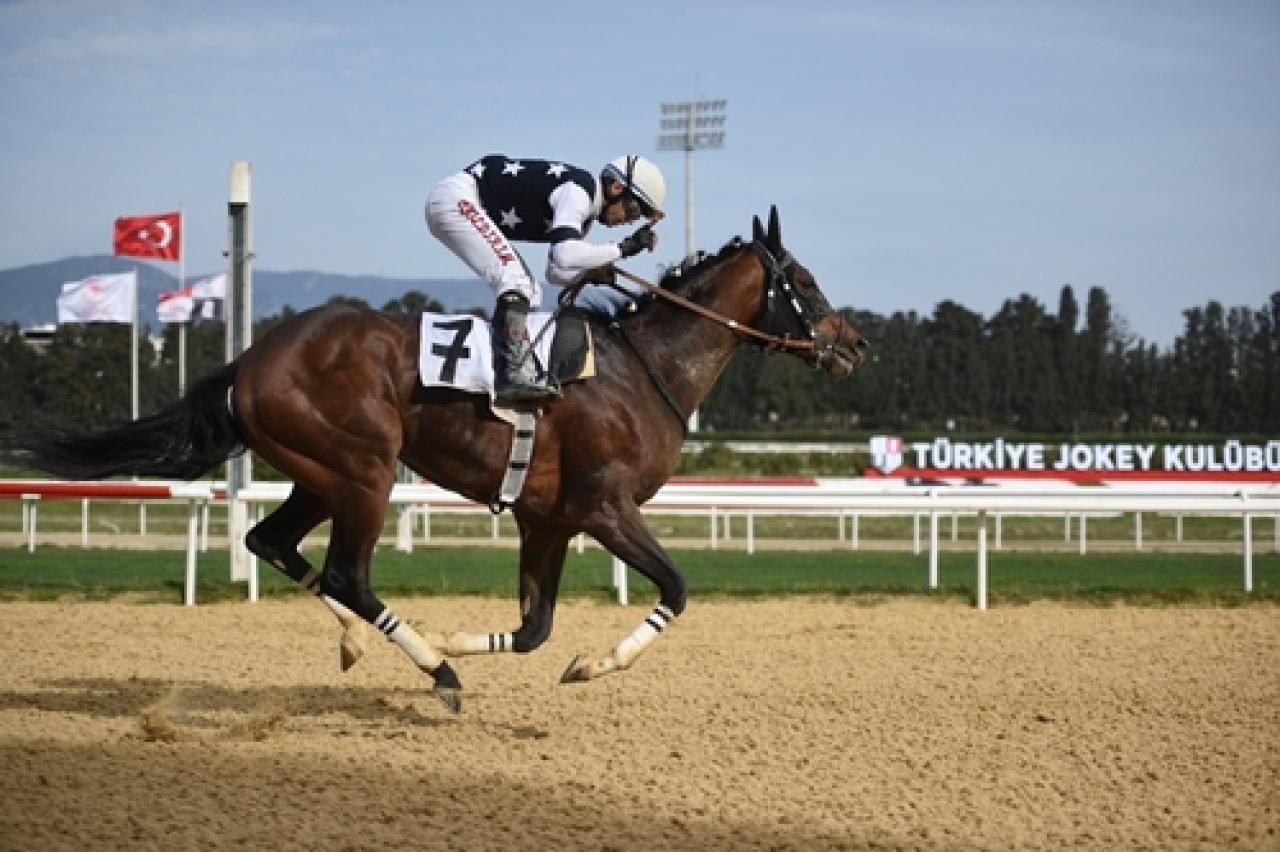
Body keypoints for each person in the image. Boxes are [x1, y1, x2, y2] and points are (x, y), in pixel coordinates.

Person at [426, 154, 666, 405]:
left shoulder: (583, 220)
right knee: (515, 281)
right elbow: (564, 254)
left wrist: (589, 273)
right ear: (616, 188)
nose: (630, 220)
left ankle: (511, 365)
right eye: (634, 209)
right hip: (457, 200)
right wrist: (623, 249)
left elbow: (556, 273)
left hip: (462, 202)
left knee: (529, 291)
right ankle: (512, 371)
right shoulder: (579, 191)